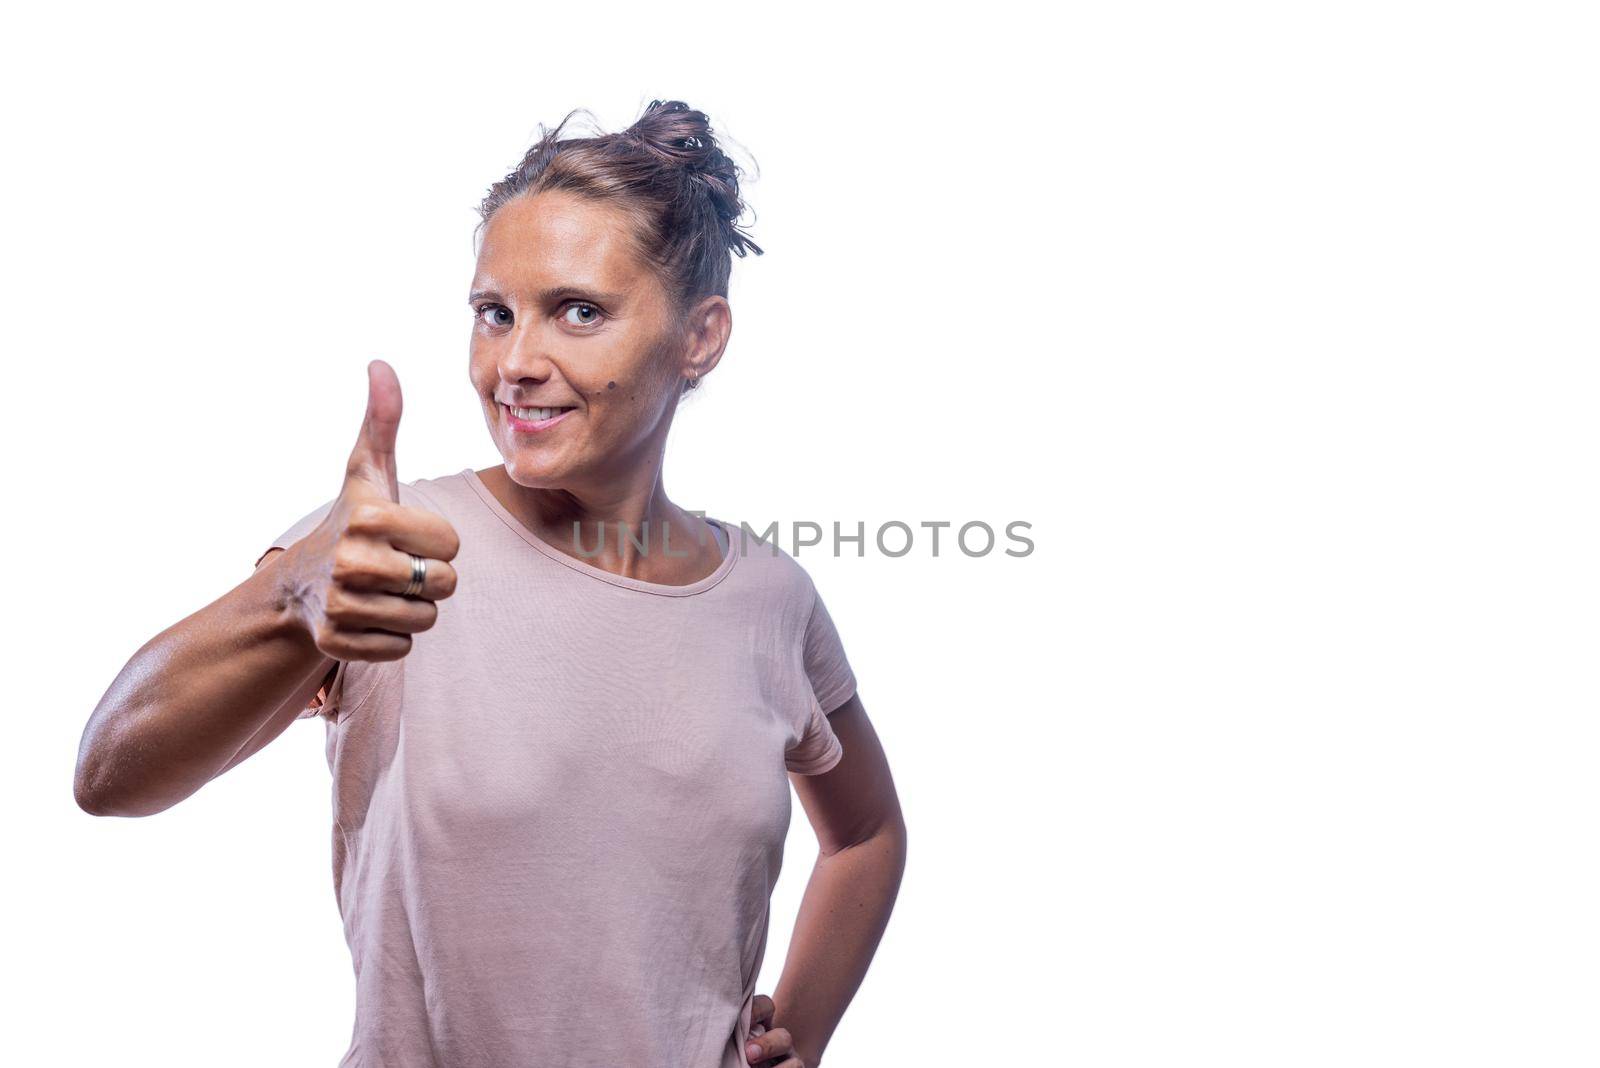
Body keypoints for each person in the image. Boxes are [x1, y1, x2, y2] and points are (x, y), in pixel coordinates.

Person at [73, 99, 907, 1067]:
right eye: (493, 313)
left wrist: (801, 1033)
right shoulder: (390, 549)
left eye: (578, 312)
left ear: (700, 336)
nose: (513, 364)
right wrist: (286, 599)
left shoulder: (771, 600)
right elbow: (110, 779)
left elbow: (867, 834)